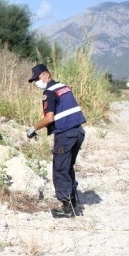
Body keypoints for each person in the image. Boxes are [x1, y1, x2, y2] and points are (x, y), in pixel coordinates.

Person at [26, 64, 86, 218]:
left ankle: (67, 209)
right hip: (78, 132)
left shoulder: (49, 92)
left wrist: (33, 129)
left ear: (46, 75)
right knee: (67, 167)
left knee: (60, 169)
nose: (36, 83)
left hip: (65, 134)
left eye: (37, 78)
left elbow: (49, 118)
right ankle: (73, 201)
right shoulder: (64, 87)